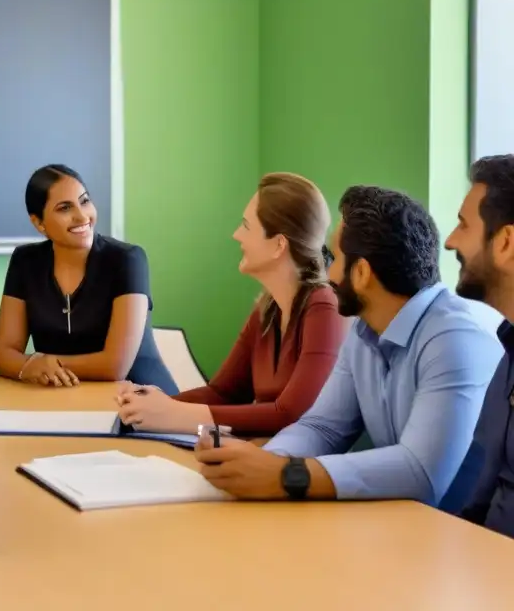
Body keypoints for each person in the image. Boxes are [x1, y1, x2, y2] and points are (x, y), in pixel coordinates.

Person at [194, 185, 504, 505]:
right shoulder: (363, 330)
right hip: (408, 528)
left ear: (361, 273)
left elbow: (420, 474)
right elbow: (323, 428)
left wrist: (286, 474)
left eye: (334, 258)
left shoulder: (454, 339)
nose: (327, 273)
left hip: (468, 539)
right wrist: (256, 463)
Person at [116, 172, 345, 436]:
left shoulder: (324, 307)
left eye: (246, 226)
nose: (237, 235)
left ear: (278, 244)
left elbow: (291, 414)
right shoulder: (266, 309)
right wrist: (151, 403)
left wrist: (176, 414)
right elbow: (224, 392)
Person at [0, 164, 177, 392]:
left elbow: (115, 366)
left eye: (85, 201)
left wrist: (40, 364)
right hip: (64, 399)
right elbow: (3, 354)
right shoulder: (25, 261)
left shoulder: (127, 259)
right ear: (39, 223)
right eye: (64, 208)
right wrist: (31, 365)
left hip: (142, 401)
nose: (82, 216)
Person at [446, 154, 514, 539]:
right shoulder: (508, 354)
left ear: (505, 241)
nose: (451, 240)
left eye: (463, 224)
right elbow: (479, 504)